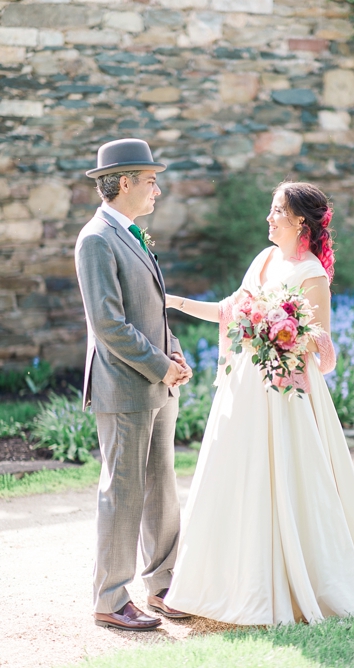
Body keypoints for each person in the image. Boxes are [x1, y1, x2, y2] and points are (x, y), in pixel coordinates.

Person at [163, 181, 354, 625]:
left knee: (288, 481)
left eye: (276, 210)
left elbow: (320, 346)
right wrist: (175, 302)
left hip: (285, 393)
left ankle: (288, 583)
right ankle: (210, 588)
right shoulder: (262, 260)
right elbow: (228, 310)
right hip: (245, 389)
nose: (268, 217)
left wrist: (277, 329)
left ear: (300, 220)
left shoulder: (313, 275)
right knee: (233, 477)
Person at [75, 138, 194, 632]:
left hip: (156, 381)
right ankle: (109, 598)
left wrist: (175, 354)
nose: (158, 190)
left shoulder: (132, 233)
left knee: (160, 485)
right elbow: (108, 324)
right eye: (150, 181)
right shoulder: (96, 239)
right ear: (124, 183)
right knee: (122, 492)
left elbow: (151, 310)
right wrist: (158, 365)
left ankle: (162, 584)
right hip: (125, 386)